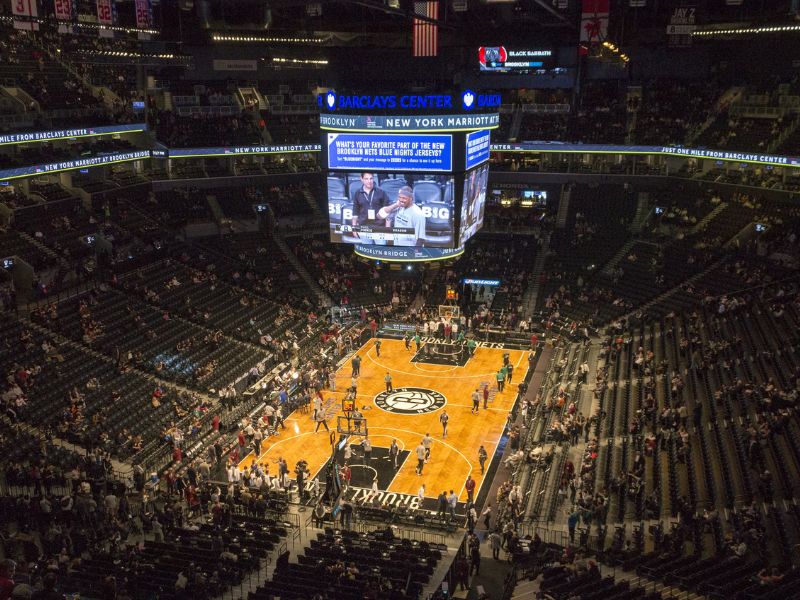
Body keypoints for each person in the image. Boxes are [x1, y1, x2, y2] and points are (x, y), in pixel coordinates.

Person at [352, 172, 391, 244]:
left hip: (379, 228)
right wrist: (354, 228)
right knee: (367, 252)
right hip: (364, 228)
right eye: (366, 179)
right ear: (361, 179)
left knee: (380, 252)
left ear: (373, 178)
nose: (369, 181)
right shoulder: (357, 193)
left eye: (371, 178)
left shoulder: (381, 192)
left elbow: (387, 212)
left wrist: (387, 230)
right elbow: (355, 212)